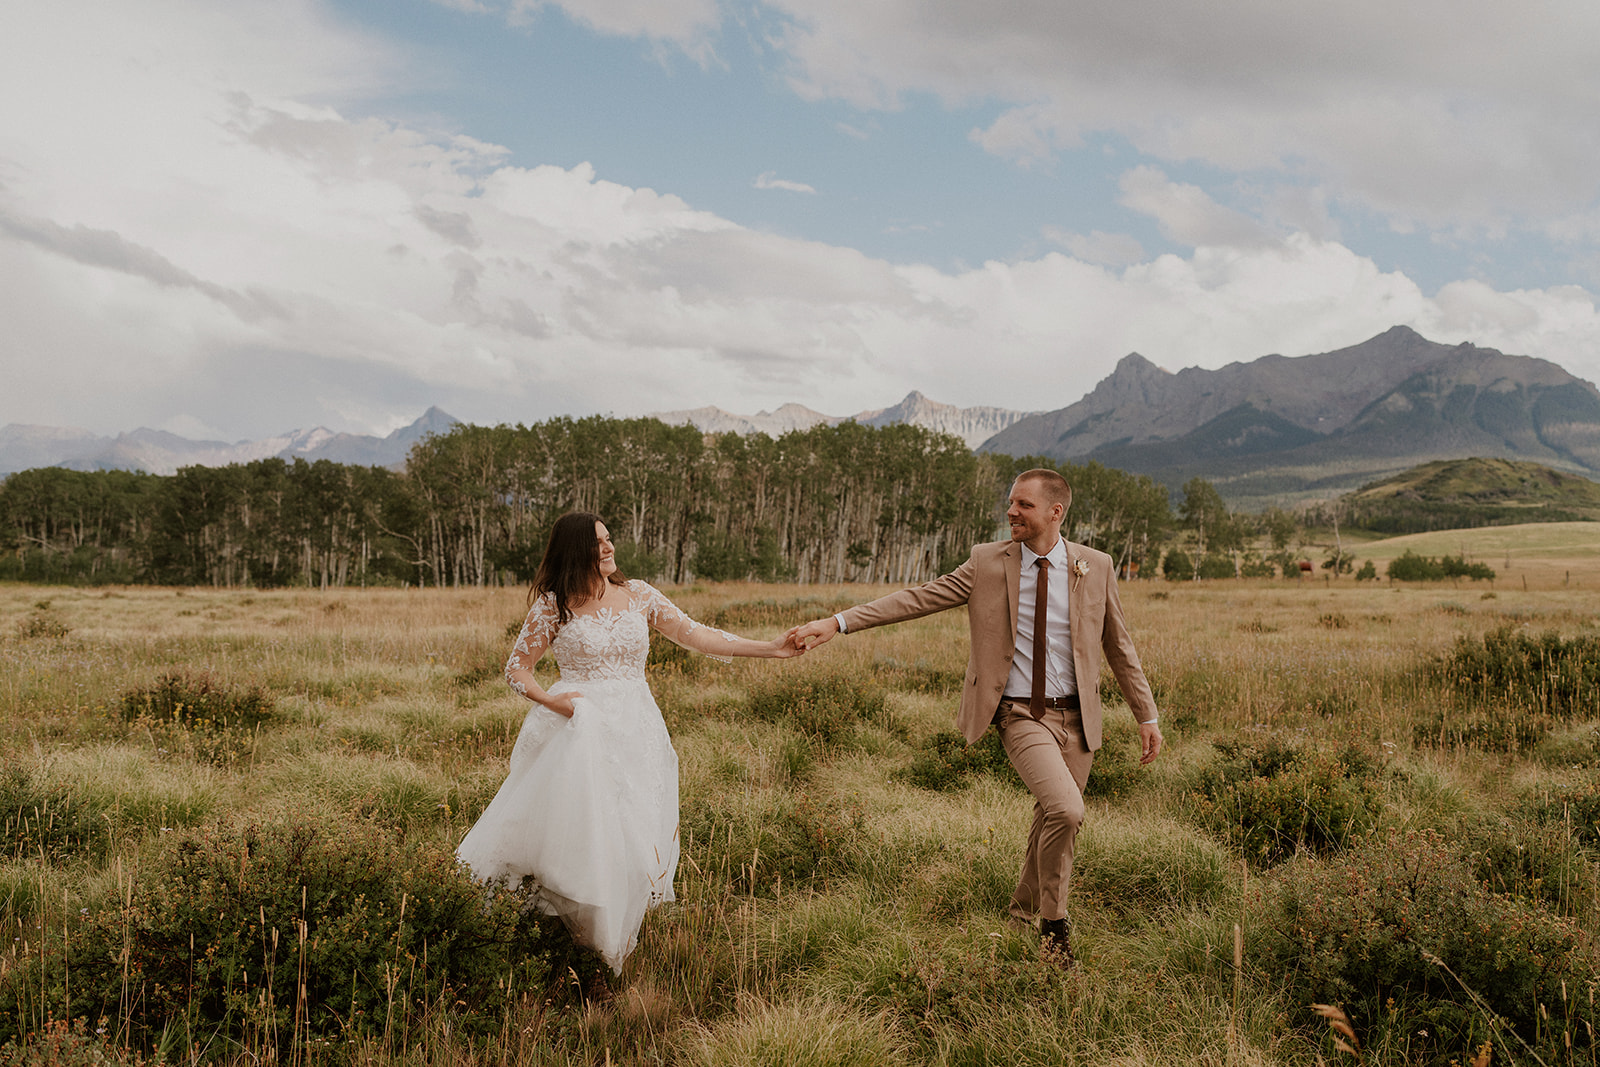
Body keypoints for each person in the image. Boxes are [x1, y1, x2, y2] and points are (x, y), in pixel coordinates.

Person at [786, 469, 1162, 964]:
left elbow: (1119, 645)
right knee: (1067, 811)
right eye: (1010, 502)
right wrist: (837, 622)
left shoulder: (1095, 565)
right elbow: (917, 598)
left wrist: (1146, 714)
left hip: (1079, 719)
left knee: (1051, 818)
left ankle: (1019, 917)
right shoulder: (987, 562)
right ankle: (1055, 928)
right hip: (1020, 715)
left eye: (1023, 505)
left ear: (1056, 512)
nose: (1011, 512)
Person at [456, 512, 802, 973]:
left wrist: (771, 647)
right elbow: (516, 670)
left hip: (637, 727)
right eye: (597, 543)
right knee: (591, 829)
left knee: (636, 827)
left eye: (608, 539)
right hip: (581, 729)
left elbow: (696, 635)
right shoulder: (553, 605)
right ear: (574, 550)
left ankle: (615, 939)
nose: (608, 548)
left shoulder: (638, 594)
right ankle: (589, 946)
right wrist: (553, 702)